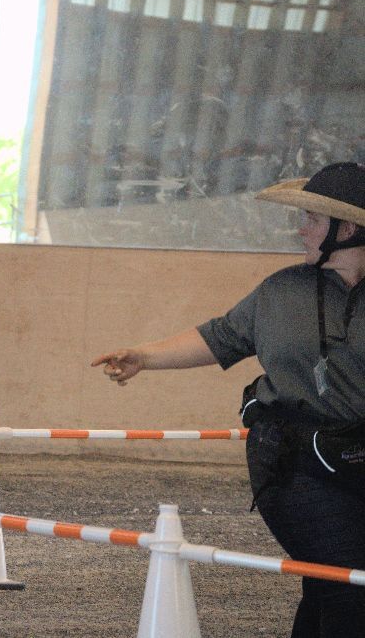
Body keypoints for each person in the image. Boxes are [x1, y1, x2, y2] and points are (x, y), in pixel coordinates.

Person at [91, 161, 365, 636]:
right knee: (348, 582)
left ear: (347, 229)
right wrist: (144, 356)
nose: (300, 230)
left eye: (312, 220)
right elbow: (221, 337)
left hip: (358, 456)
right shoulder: (281, 291)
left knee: (330, 582)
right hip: (290, 461)